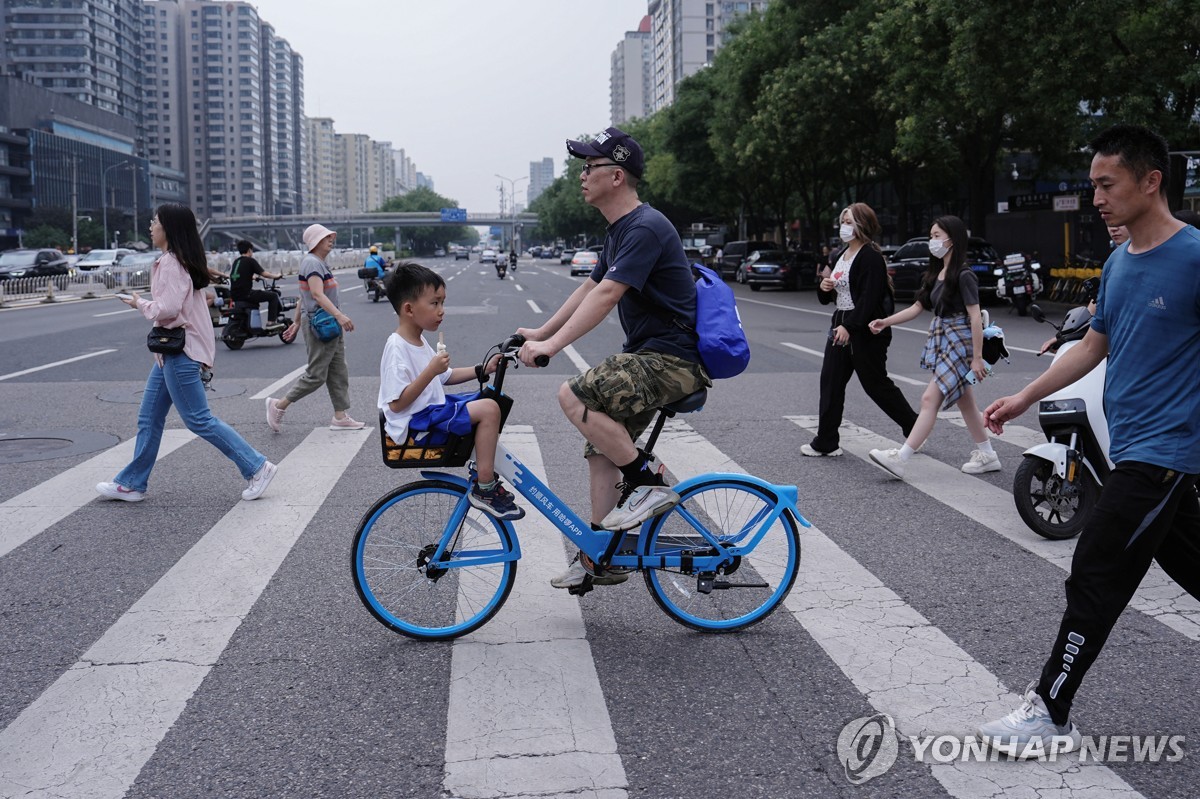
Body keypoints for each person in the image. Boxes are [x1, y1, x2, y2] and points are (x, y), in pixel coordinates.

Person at [977, 124, 1200, 756]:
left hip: (1163, 450)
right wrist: (1025, 396)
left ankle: (1050, 710)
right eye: (1093, 184)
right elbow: (1094, 344)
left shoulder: (1195, 258)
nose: (1096, 197)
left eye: (1107, 184)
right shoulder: (1120, 260)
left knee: (1096, 567)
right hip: (1129, 442)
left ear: (1150, 181)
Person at [517, 127, 711, 590]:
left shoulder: (645, 226)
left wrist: (551, 348)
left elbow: (606, 294)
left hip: (672, 361)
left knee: (573, 393)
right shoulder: (620, 231)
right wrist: (541, 332)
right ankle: (601, 554)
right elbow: (587, 286)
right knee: (600, 447)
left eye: (589, 168)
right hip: (652, 358)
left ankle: (649, 484)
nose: (582, 177)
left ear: (617, 176)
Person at [96, 203, 277, 503]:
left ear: (168, 228)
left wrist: (139, 304)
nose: (150, 227)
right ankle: (132, 483)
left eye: (154, 221)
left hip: (181, 352)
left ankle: (257, 466)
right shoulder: (182, 260)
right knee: (149, 418)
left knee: (198, 419)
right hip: (172, 352)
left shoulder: (171, 263)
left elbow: (167, 309)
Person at [378, 262, 523, 520]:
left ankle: (484, 469)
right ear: (409, 309)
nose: (442, 311)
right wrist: (430, 371)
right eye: (435, 303)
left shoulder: (419, 341)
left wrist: (482, 369)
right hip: (417, 421)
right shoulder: (397, 347)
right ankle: (485, 486)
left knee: (487, 398)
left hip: (431, 411)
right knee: (489, 409)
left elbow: (445, 376)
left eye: (443, 303)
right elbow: (397, 404)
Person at [865, 215, 997, 479]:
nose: (932, 241)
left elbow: (974, 316)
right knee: (965, 400)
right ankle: (988, 454)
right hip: (946, 339)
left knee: (929, 399)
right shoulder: (936, 273)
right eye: (932, 236)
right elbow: (917, 307)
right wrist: (885, 321)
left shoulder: (964, 274)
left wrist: (977, 358)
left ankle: (901, 458)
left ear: (953, 239)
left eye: (937, 236)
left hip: (961, 342)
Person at [802, 203, 917, 457]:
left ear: (862, 225)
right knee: (831, 381)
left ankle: (915, 427)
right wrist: (824, 287)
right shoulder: (839, 256)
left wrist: (849, 326)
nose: (844, 226)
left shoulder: (870, 257)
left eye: (849, 221)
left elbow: (869, 299)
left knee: (875, 384)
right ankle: (826, 441)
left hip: (865, 327)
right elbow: (829, 295)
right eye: (843, 221)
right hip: (841, 322)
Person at [265, 224, 365, 432]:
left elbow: (305, 296)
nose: (331, 239)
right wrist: (339, 315)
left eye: (330, 236)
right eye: (326, 237)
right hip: (322, 324)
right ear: (315, 242)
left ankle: (340, 416)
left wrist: (296, 322)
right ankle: (278, 405)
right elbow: (317, 295)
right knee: (316, 375)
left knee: (338, 371)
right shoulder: (312, 263)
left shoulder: (319, 263)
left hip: (328, 323)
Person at [229, 240, 284, 331]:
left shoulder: (236, 262)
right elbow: (264, 274)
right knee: (273, 296)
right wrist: (276, 276)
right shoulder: (250, 261)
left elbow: (239, 274)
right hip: (246, 294)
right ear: (249, 250)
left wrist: (252, 277)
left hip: (235, 295)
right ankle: (271, 322)